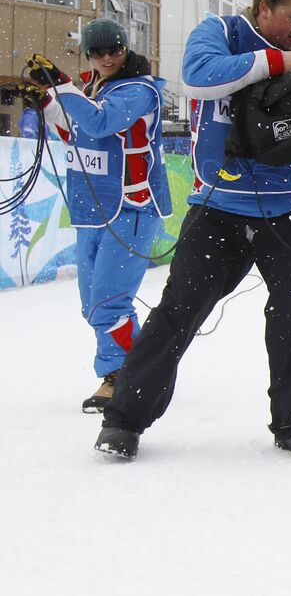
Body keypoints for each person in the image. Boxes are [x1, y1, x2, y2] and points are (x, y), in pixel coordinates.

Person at [94, 0, 291, 461]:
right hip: (217, 210)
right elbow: (197, 78)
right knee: (175, 315)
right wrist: (276, 62)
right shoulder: (220, 34)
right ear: (262, 8)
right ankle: (124, 421)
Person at [26, 20, 172, 413]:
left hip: (131, 208)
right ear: (87, 53)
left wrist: (60, 84)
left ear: (126, 49)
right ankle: (141, 364)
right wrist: (47, 102)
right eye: (98, 52)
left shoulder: (137, 89)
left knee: (108, 303)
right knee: (92, 304)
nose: (108, 58)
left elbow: (101, 121)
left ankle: (122, 375)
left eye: (115, 50)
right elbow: (76, 129)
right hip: (93, 209)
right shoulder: (93, 87)